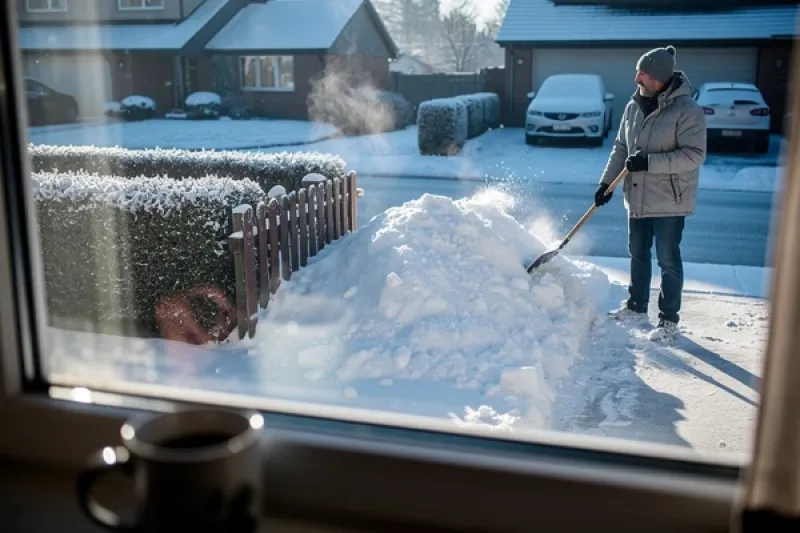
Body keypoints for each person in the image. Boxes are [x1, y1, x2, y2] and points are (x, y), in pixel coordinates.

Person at [594, 45, 707, 340]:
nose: (636, 80)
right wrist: (606, 184)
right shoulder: (633, 106)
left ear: (657, 76)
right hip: (637, 196)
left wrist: (648, 163)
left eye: (641, 74)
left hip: (670, 199)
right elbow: (621, 147)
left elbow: (694, 155)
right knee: (638, 254)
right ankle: (636, 307)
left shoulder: (687, 110)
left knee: (668, 260)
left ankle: (668, 321)